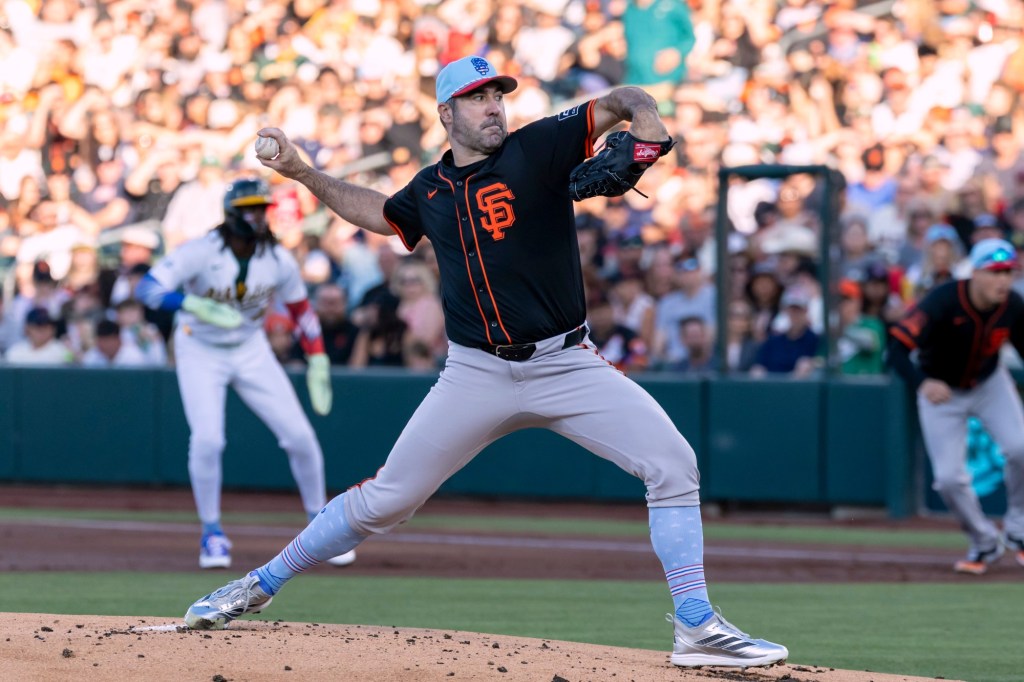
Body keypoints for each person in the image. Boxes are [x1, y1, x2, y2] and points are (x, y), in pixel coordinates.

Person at [184, 55, 787, 669]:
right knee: (387, 501)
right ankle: (257, 584)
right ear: (446, 114)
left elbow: (623, 98)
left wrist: (647, 121)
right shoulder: (430, 189)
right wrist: (301, 172)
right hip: (476, 373)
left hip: (567, 364)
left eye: (497, 95)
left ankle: (695, 625)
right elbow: (381, 214)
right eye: (477, 97)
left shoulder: (539, 147)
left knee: (673, 464)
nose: (493, 106)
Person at [136, 177, 355, 570]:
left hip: (250, 347)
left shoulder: (277, 258)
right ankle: (212, 533)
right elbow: (147, 288)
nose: (257, 217)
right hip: (200, 347)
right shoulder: (201, 250)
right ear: (232, 214)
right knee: (208, 440)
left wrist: (317, 358)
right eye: (249, 209)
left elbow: (301, 310)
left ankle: (320, 525)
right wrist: (189, 303)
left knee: (300, 436)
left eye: (261, 209)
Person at [889, 238, 1024, 575]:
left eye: (1008, 272)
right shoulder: (943, 300)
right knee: (949, 479)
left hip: (989, 383)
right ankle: (983, 541)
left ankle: (1019, 529)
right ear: (975, 273)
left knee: (1021, 448)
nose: (1003, 280)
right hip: (941, 390)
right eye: (995, 272)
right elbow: (896, 348)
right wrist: (922, 382)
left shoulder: (1013, 304)